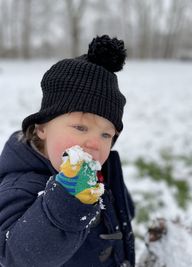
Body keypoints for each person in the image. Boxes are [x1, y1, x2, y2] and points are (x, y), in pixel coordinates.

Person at [0, 35, 135, 267]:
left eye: (106, 135)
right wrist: (69, 200)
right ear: (42, 128)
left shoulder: (103, 169)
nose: (94, 143)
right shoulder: (20, 185)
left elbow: (125, 211)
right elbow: (14, 256)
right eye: (80, 127)